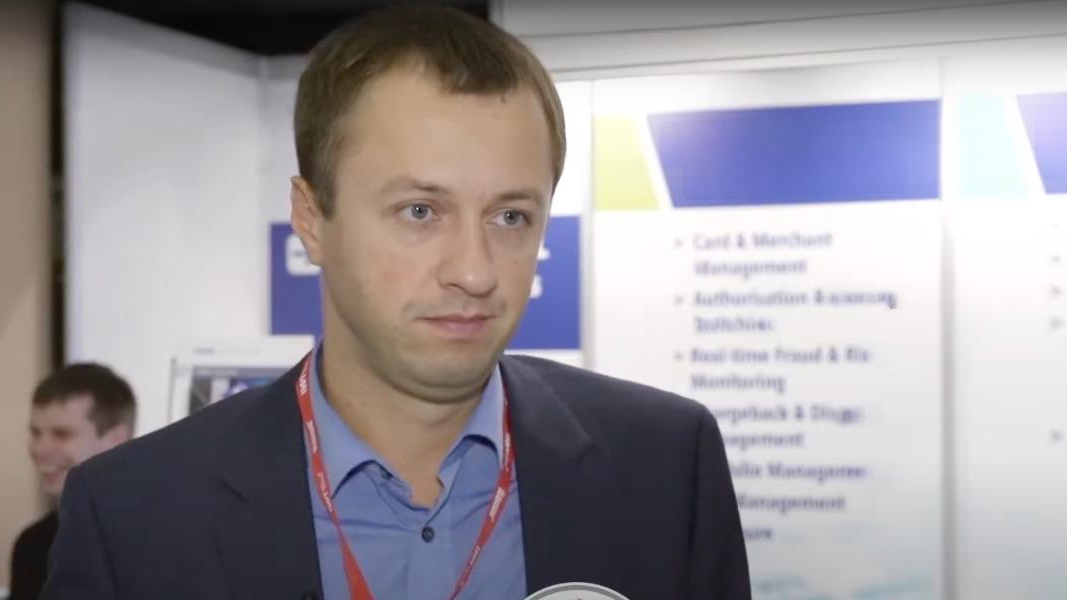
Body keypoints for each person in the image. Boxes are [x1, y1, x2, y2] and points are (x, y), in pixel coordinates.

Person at [44, 6, 750, 600]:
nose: (474, 271)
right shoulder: (134, 515)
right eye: (420, 211)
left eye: (510, 216)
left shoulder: (664, 468)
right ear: (312, 219)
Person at [9, 363, 135, 600]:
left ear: (117, 440)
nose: (39, 449)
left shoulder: (162, 538)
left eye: (61, 434)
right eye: (35, 433)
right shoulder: (33, 544)